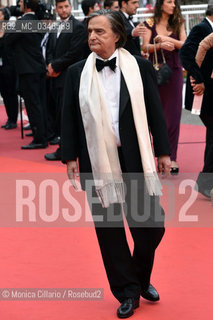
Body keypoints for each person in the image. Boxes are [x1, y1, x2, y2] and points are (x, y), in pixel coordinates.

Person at [61, 9, 171, 319]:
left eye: (100, 31)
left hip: (134, 158)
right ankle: (127, 291)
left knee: (151, 226)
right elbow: (68, 118)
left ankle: (139, 278)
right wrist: (69, 156)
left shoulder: (139, 67)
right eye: (90, 32)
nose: (92, 36)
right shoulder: (76, 73)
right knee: (109, 230)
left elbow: (155, 114)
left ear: (118, 36)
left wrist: (163, 151)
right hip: (96, 161)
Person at [142, 0, 186, 175]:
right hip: (155, 73)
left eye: (175, 2)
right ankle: (158, 156)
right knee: (156, 115)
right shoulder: (149, 24)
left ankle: (172, 157)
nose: (173, 5)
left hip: (174, 73)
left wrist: (167, 40)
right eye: (169, 1)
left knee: (174, 116)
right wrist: (159, 45)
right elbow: (144, 47)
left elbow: (185, 44)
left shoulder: (179, 23)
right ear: (161, 4)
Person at [44, 0, 86, 160]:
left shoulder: (78, 26)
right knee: (58, 115)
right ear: (56, 9)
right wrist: (49, 65)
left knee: (66, 116)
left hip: (68, 76)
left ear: (71, 7)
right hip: (55, 77)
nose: (63, 10)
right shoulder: (55, 26)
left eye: (66, 6)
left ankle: (65, 151)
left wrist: (55, 66)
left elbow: (75, 52)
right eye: (60, 7)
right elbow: (50, 49)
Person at [179, 3, 213, 198]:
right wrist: (197, 78)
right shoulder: (202, 28)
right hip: (201, 93)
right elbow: (185, 53)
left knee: (212, 137)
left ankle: (206, 182)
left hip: (208, 93)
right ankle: (205, 182)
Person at [5, 0, 48, 149]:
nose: (19, 5)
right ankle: (42, 131)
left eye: (21, 2)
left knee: (33, 104)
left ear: (27, 5)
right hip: (39, 67)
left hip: (27, 69)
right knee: (40, 102)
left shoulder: (22, 22)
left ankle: (40, 138)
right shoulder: (37, 20)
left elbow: (7, 40)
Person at [0, 7, 19, 130]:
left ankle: (13, 119)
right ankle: (9, 118)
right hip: (0, 67)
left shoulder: (10, 28)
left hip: (10, 66)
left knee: (11, 93)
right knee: (4, 93)